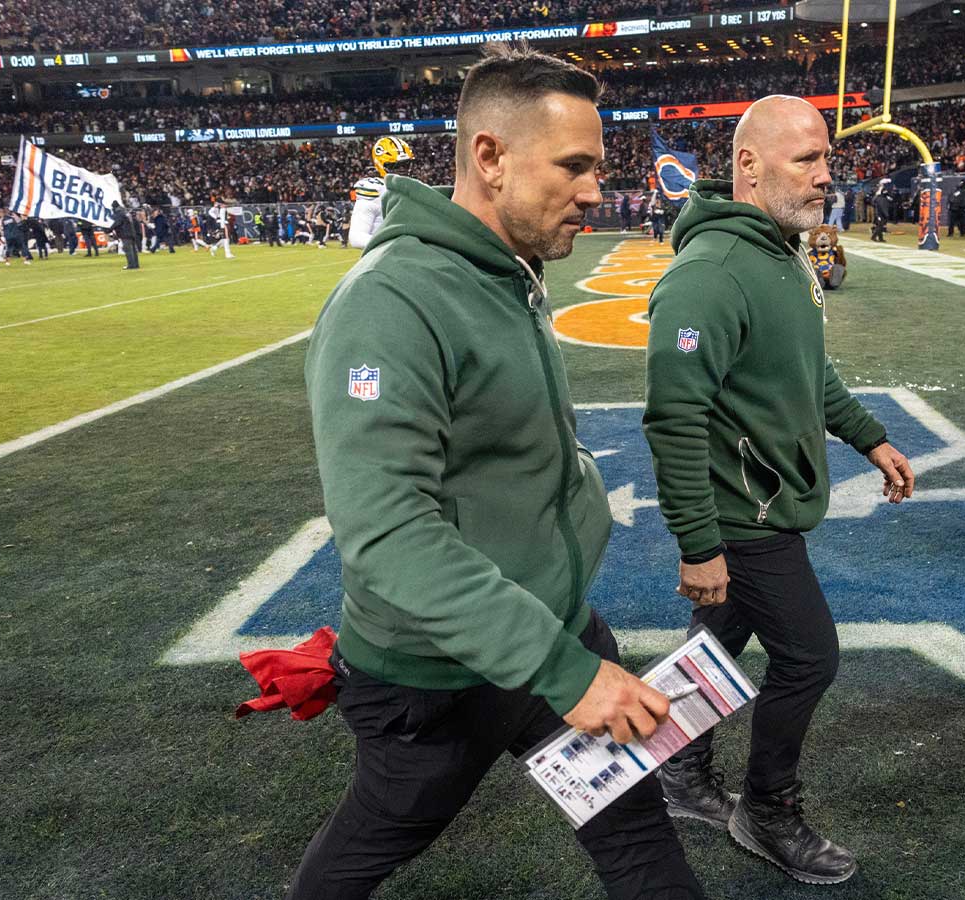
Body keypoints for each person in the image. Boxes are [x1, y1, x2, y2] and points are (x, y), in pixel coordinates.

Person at [290, 44, 704, 900]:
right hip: (433, 673)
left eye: (596, 167)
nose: (595, 190)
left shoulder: (505, 270)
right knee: (372, 841)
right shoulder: (390, 301)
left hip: (550, 627)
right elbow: (386, 531)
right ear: (490, 157)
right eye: (574, 166)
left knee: (637, 839)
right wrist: (562, 669)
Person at [643, 95, 917, 886]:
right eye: (807, 159)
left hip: (764, 500)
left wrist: (869, 436)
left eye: (826, 157)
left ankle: (678, 772)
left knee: (715, 646)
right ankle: (766, 810)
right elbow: (674, 421)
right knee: (808, 656)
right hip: (743, 515)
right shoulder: (710, 275)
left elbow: (806, 370)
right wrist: (699, 545)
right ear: (749, 165)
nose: (826, 174)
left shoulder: (781, 251)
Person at [347, 136, 414, 251]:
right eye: (395, 166)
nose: (402, 170)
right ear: (381, 165)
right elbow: (356, 238)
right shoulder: (375, 190)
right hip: (383, 257)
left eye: (406, 165)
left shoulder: (410, 187)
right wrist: (395, 244)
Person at [111, 201, 138, 270]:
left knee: (128, 250)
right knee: (133, 250)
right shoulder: (125, 212)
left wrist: (108, 229)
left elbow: (116, 223)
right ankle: (135, 264)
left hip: (125, 233)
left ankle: (131, 265)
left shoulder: (119, 213)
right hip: (131, 232)